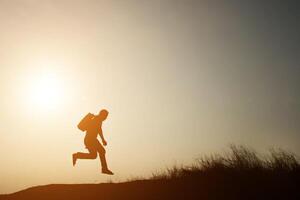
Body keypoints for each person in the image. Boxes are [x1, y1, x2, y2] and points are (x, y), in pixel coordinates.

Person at [72, 109, 113, 175]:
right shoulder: (95, 119)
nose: (106, 118)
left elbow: (99, 129)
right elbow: (97, 129)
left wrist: (103, 139)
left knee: (95, 155)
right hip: (90, 139)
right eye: (105, 116)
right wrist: (102, 139)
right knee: (99, 153)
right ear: (102, 115)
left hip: (92, 139)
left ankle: (77, 155)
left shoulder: (99, 120)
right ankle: (104, 169)